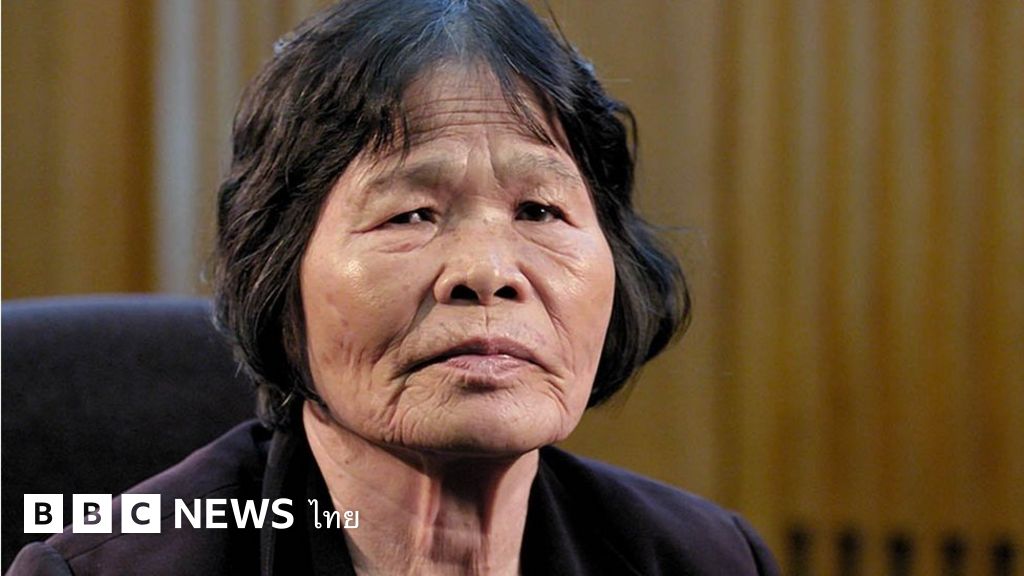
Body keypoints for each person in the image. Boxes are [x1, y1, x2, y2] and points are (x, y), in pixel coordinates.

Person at [9, 1, 780, 574]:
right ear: (278, 273)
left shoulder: (704, 559)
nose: (488, 271)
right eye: (412, 214)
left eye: (540, 210)